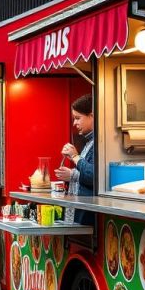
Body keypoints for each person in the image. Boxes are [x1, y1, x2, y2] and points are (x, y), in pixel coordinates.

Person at [54, 94, 95, 226]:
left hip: (89, 213)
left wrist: (75, 157)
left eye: (78, 118)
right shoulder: (89, 141)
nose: (74, 123)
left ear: (92, 116)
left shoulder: (100, 143)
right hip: (82, 210)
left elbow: (93, 176)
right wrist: (71, 174)